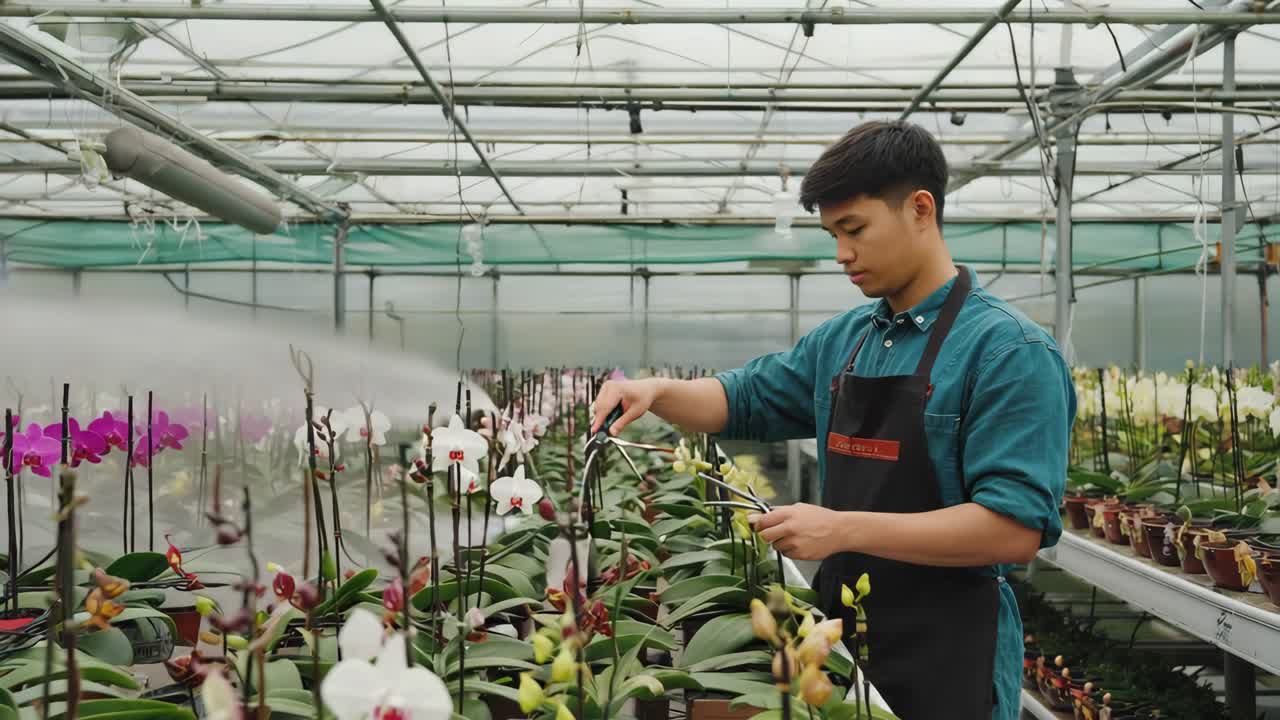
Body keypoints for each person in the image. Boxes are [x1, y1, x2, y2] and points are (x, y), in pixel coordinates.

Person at [590, 120, 1075, 720]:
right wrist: (656, 391)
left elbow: (1013, 529)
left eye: (855, 230)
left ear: (920, 209)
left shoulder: (1008, 352)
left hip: (950, 651)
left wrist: (842, 529)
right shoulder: (848, 340)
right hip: (840, 638)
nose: (843, 253)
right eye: (833, 234)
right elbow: (744, 398)